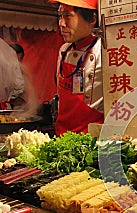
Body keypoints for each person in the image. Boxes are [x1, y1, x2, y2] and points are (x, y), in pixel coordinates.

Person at [50, 0, 104, 136]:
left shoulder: (104, 51)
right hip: (61, 136)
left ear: (92, 19)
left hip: (91, 140)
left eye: (68, 16)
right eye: (60, 16)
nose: (61, 24)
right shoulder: (64, 50)